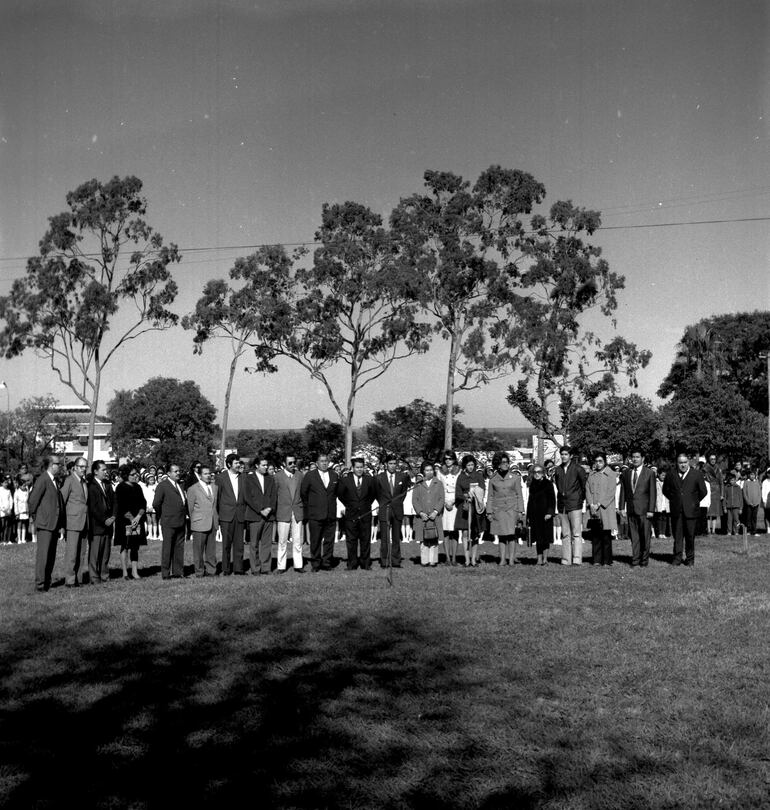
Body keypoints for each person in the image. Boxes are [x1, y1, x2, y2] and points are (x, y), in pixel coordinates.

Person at [662, 454, 708, 566]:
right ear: (677, 463)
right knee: (677, 536)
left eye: (685, 462)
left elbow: (703, 491)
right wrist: (675, 500)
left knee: (690, 536)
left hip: (691, 511)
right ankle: (677, 558)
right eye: (680, 463)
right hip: (676, 510)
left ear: (689, 462)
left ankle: (690, 559)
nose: (683, 465)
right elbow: (665, 490)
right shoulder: (671, 474)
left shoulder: (696, 474)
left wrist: (693, 501)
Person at [29, 457, 65, 591]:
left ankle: (47, 581)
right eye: (58, 464)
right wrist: (37, 517)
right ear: (51, 465)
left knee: (51, 555)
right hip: (45, 524)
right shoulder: (43, 479)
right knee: (43, 555)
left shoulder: (54, 480)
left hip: (54, 524)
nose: (59, 466)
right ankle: (40, 584)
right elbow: (32, 501)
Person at [300, 453, 340, 572]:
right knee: (315, 540)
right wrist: (311, 508)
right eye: (322, 461)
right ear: (317, 463)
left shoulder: (334, 475)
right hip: (315, 514)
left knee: (329, 540)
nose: (324, 463)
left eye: (326, 461)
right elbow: (304, 493)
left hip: (330, 514)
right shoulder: (310, 475)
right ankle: (316, 564)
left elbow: (337, 492)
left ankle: (327, 562)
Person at [619, 449, 657, 568]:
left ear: (643, 458)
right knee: (634, 537)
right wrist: (621, 507)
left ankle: (644, 561)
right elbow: (623, 491)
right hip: (631, 510)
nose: (635, 459)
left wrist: (651, 510)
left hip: (645, 511)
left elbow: (652, 493)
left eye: (637, 457)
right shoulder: (627, 473)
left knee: (645, 537)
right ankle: (635, 560)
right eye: (633, 457)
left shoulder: (649, 473)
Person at [336, 457, 376, 570]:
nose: (359, 469)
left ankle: (365, 564)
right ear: (352, 468)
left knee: (365, 540)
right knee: (351, 540)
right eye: (357, 467)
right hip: (351, 515)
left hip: (365, 514)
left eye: (361, 467)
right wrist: (349, 505)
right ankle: (352, 564)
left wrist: (365, 505)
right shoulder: (345, 480)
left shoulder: (369, 480)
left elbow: (373, 494)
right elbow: (340, 494)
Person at [486, 452, 525, 566]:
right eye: (503, 462)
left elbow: (519, 495)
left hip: (512, 509)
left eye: (507, 462)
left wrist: (520, 511)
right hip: (498, 510)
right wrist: (489, 512)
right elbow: (490, 496)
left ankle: (511, 559)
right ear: (497, 464)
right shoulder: (493, 479)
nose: (506, 465)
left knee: (512, 535)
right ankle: (502, 559)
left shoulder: (515, 478)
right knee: (501, 535)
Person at [242, 456, 277, 575]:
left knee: (267, 543)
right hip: (255, 515)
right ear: (257, 466)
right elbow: (248, 497)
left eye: (267, 465)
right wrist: (260, 510)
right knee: (254, 544)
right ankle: (255, 568)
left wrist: (270, 508)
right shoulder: (249, 478)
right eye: (263, 465)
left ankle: (266, 567)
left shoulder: (270, 479)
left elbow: (274, 496)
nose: (266, 467)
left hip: (269, 515)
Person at [374, 455, 410, 569]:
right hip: (385, 509)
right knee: (384, 537)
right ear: (386, 465)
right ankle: (384, 560)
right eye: (390, 463)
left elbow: (403, 493)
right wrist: (384, 503)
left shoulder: (402, 477)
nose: (393, 466)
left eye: (395, 463)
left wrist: (397, 502)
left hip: (397, 509)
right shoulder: (379, 477)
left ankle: (396, 561)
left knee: (396, 537)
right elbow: (377, 493)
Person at [553, 446, 587, 565]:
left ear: (571, 456)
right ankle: (566, 559)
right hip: (562, 505)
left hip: (575, 504)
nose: (563, 456)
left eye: (566, 454)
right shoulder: (558, 470)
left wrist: (579, 500)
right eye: (562, 454)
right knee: (565, 534)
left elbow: (584, 487)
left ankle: (577, 559)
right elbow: (558, 486)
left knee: (576, 534)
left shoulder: (579, 469)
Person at [153, 463, 187, 579]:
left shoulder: (180, 485)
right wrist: (162, 515)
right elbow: (156, 503)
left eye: (179, 471)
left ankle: (178, 572)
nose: (178, 473)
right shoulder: (163, 486)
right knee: (167, 548)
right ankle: (166, 573)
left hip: (180, 521)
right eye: (175, 471)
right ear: (168, 473)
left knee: (179, 547)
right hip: (168, 522)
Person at [60, 457, 90, 587]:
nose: (84, 469)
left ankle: (78, 578)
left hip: (84, 521)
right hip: (72, 521)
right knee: (72, 553)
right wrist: (62, 523)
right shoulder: (69, 481)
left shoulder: (84, 481)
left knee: (81, 552)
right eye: (81, 467)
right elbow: (62, 501)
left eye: (85, 467)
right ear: (75, 467)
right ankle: (70, 580)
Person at [274, 454, 305, 573]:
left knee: (297, 540)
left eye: (294, 462)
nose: (293, 465)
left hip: (297, 510)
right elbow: (275, 494)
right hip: (283, 511)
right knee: (282, 541)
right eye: (290, 463)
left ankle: (298, 565)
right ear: (284, 464)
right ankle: (281, 566)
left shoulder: (300, 476)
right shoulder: (277, 477)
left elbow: (303, 493)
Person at [115, 466, 147, 580]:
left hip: (137, 520)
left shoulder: (138, 487)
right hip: (125, 521)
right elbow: (121, 505)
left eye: (136, 474)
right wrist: (131, 518)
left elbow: (143, 502)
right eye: (133, 474)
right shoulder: (120, 487)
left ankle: (134, 571)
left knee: (135, 546)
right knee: (125, 546)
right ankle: (124, 572)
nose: (135, 476)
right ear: (126, 475)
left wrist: (138, 516)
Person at [186, 464, 219, 577]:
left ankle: (211, 570)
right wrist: (196, 519)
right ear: (200, 475)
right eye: (205, 473)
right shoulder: (193, 489)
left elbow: (215, 505)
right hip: (199, 523)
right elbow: (190, 508)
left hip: (212, 522)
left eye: (209, 473)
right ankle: (199, 571)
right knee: (198, 550)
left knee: (211, 550)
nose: (208, 475)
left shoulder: (214, 487)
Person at [586, 452, 617, 567]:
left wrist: (600, 503)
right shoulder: (592, 475)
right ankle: (597, 559)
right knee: (595, 535)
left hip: (605, 509)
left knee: (606, 535)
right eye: (596, 461)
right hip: (594, 509)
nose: (598, 464)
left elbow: (611, 492)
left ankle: (607, 560)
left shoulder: (611, 474)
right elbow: (587, 490)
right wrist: (591, 504)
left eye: (600, 461)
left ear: (605, 462)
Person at [87, 461, 115, 584]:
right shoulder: (90, 486)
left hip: (109, 525)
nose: (106, 472)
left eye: (106, 469)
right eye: (103, 470)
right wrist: (104, 520)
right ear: (95, 471)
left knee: (105, 552)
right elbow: (93, 508)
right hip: (97, 525)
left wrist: (113, 517)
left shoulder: (108, 485)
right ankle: (94, 576)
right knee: (95, 553)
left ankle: (104, 574)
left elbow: (115, 502)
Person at [455, 455, 486, 567]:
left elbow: (482, 490)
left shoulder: (478, 476)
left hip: (476, 508)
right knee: (465, 532)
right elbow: (457, 493)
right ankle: (466, 559)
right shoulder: (461, 477)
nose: (470, 467)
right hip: (464, 507)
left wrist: (475, 494)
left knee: (475, 533)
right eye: (468, 465)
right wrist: (465, 496)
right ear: (464, 466)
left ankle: (473, 559)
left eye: (472, 465)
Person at [217, 453, 245, 575]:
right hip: (226, 515)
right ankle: (226, 568)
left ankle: (238, 568)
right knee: (226, 545)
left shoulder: (244, 477)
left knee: (239, 544)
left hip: (239, 515)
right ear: (229, 465)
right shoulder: (221, 478)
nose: (239, 465)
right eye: (236, 463)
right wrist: (219, 515)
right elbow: (217, 498)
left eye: (239, 463)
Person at [412, 460, 444, 567]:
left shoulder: (438, 483)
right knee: (423, 539)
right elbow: (415, 500)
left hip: (434, 515)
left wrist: (436, 511)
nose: (429, 472)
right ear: (423, 471)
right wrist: (420, 512)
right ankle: (424, 560)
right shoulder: (418, 484)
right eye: (427, 470)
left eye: (431, 470)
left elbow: (441, 499)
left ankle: (433, 560)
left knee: (434, 538)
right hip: (423, 516)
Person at [526, 465, 555, 565]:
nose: (537, 474)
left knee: (545, 537)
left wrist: (549, 512)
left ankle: (545, 559)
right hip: (535, 515)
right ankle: (539, 559)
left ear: (543, 473)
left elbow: (552, 500)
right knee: (538, 538)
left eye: (539, 472)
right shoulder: (532, 485)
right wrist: (528, 516)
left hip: (546, 515)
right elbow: (529, 501)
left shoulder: (548, 484)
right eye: (535, 472)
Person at [440, 451, 461, 565]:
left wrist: (453, 501)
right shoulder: (440, 472)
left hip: (455, 502)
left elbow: (460, 488)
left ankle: (454, 557)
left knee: (454, 531)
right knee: (446, 531)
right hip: (444, 502)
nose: (448, 461)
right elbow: (439, 488)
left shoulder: (459, 471)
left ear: (454, 459)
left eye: (450, 458)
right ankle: (447, 557)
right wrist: (444, 502)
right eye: (446, 459)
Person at [703, 453, 724, 534]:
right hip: (708, 490)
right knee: (708, 513)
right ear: (709, 459)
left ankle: (714, 530)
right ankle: (708, 529)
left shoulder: (718, 469)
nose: (713, 460)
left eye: (714, 459)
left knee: (715, 512)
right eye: (711, 459)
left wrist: (722, 494)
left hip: (716, 491)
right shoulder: (705, 468)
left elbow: (721, 482)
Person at [723, 472, 743, 536]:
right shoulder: (727, 487)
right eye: (731, 480)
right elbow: (725, 498)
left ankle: (736, 531)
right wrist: (725, 507)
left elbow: (741, 498)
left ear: (735, 480)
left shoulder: (738, 487)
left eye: (733, 480)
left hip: (736, 507)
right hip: (729, 507)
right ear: (729, 480)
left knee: (736, 520)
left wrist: (741, 508)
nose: (732, 481)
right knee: (729, 520)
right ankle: (729, 532)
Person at [742, 469, 761, 536]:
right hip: (749, 504)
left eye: (753, 475)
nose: (752, 476)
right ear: (748, 475)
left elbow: (759, 493)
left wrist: (757, 502)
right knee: (748, 518)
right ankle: (749, 531)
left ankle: (754, 531)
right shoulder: (746, 482)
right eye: (751, 475)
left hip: (756, 504)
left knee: (754, 518)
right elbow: (744, 493)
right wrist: (749, 502)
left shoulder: (757, 482)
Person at [141, 473, 158, 540]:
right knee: (148, 520)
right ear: (147, 480)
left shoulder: (156, 486)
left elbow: (156, 497)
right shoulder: (145, 487)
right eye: (150, 480)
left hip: (153, 506)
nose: (152, 481)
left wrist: (153, 506)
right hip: (147, 507)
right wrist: (147, 506)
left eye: (153, 480)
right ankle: (150, 534)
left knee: (154, 519)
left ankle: (155, 535)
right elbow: (144, 497)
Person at [13, 477, 30, 544]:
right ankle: (19, 539)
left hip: (25, 510)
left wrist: (28, 510)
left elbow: (28, 501)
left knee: (24, 524)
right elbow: (15, 503)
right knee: (19, 524)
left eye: (25, 485)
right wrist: (16, 512)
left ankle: (23, 539)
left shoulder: (27, 491)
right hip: (19, 511)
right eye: (23, 486)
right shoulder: (16, 493)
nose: (25, 487)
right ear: (20, 486)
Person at [0, 474, 14, 544]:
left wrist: (10, 508)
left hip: (8, 511)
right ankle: (1, 539)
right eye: (5, 482)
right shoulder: (0, 490)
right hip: (2, 511)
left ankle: (5, 539)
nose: (6, 484)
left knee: (6, 526)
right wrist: (3, 509)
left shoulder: (8, 490)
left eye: (7, 482)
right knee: (2, 526)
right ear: (1, 483)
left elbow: (11, 500)